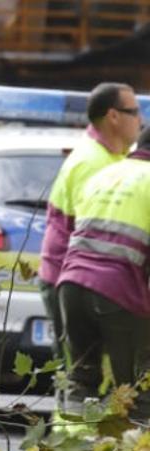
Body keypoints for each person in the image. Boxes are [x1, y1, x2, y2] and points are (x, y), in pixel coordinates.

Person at [39, 83, 139, 367]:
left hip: (84, 283)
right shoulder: (94, 163)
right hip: (77, 285)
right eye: (134, 111)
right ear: (114, 116)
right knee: (80, 374)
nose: (141, 120)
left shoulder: (112, 157)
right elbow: (99, 236)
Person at [57, 125, 150, 419]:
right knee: (136, 390)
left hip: (71, 286)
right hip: (118, 294)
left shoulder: (104, 175)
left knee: (81, 380)